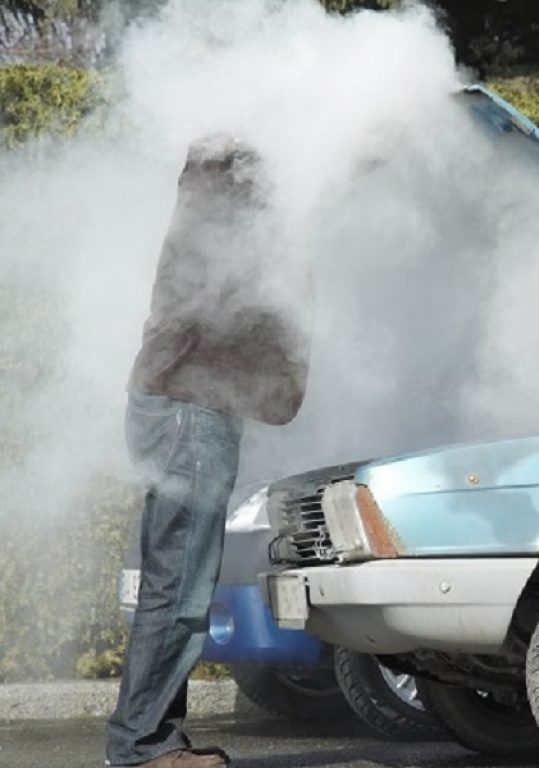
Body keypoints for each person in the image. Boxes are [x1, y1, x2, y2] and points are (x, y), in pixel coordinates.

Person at [106, 135, 311, 768]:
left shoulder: (207, 194)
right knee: (179, 592)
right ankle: (143, 747)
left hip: (183, 407)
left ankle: (151, 739)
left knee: (174, 587)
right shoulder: (228, 188)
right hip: (190, 416)